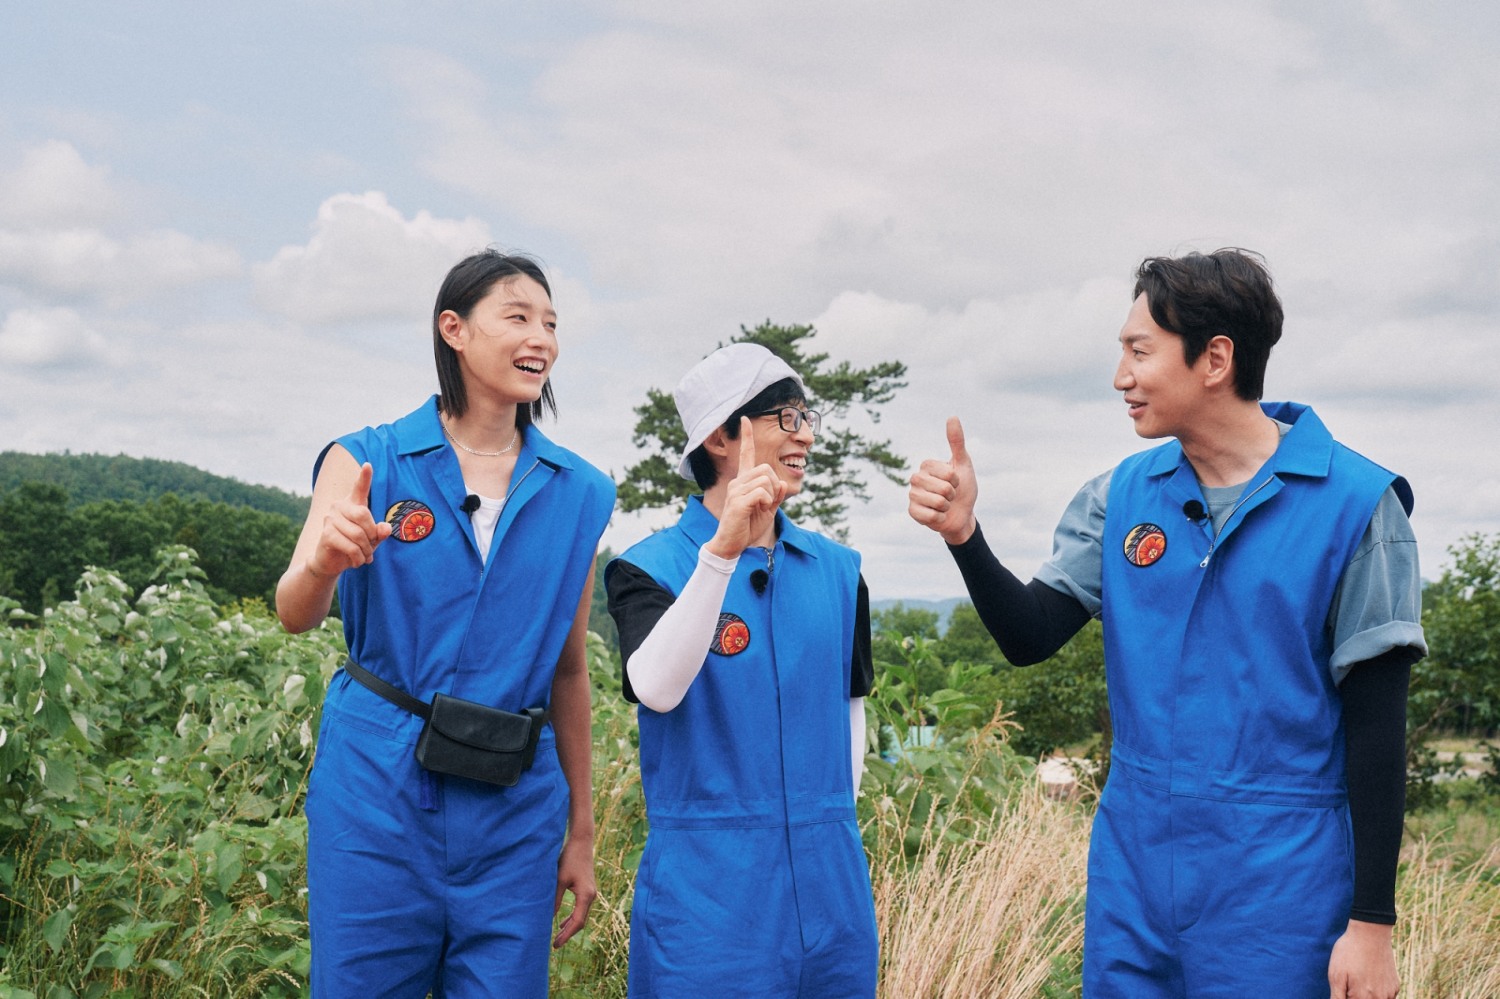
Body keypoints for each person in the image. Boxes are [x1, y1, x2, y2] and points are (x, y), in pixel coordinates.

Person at [908, 248, 1425, 999]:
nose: (1121, 376)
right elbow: (1029, 636)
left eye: (1138, 351)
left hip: (1280, 887)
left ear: (1215, 358)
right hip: (1135, 878)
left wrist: (1371, 923)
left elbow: (1380, 726)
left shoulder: (1356, 506)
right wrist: (965, 535)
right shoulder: (1120, 496)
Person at [275, 250, 614, 996]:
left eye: (552, 324)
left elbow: (567, 668)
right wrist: (326, 561)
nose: (542, 339)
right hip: (376, 792)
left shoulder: (580, 491)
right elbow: (294, 610)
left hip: (513, 804)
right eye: (519, 317)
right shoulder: (366, 459)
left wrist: (581, 832)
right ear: (453, 329)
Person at [605, 342, 879, 998]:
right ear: (722, 436)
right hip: (709, 904)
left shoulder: (839, 571)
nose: (806, 434)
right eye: (786, 417)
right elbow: (655, 686)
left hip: (830, 888)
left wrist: (827, 828)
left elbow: (851, 724)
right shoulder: (651, 568)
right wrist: (722, 551)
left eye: (808, 416)